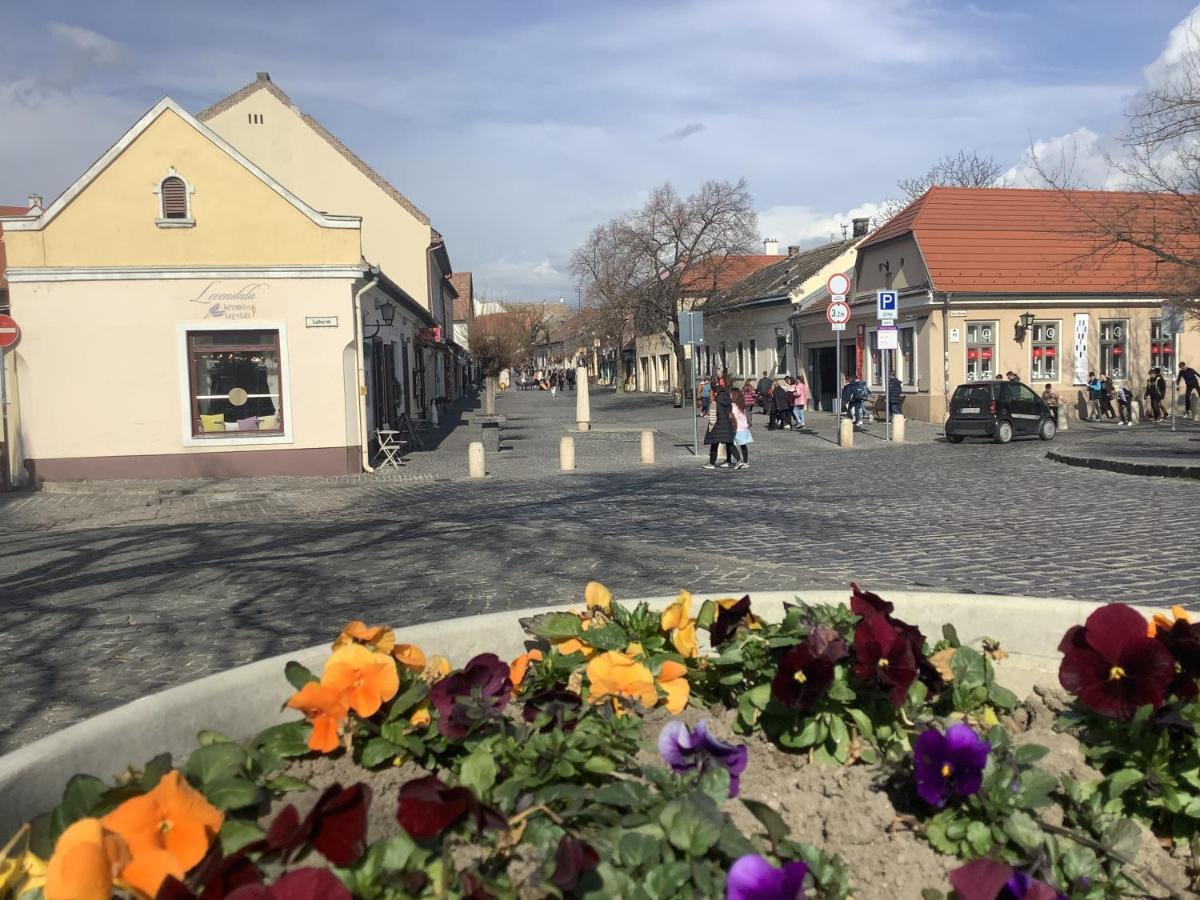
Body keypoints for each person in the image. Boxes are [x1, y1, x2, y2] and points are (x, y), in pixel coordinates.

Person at [703, 378, 737, 469]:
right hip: (727, 424)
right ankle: (738, 461)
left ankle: (712, 463)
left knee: (714, 443)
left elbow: (713, 416)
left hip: (717, 425)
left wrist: (710, 426)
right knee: (729, 443)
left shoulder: (716, 401)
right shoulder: (728, 399)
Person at [731, 390, 753, 469]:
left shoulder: (734, 406)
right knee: (743, 446)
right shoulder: (741, 405)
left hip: (738, 428)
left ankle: (738, 460)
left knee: (730, 444)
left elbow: (733, 416)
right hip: (744, 428)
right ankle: (746, 461)